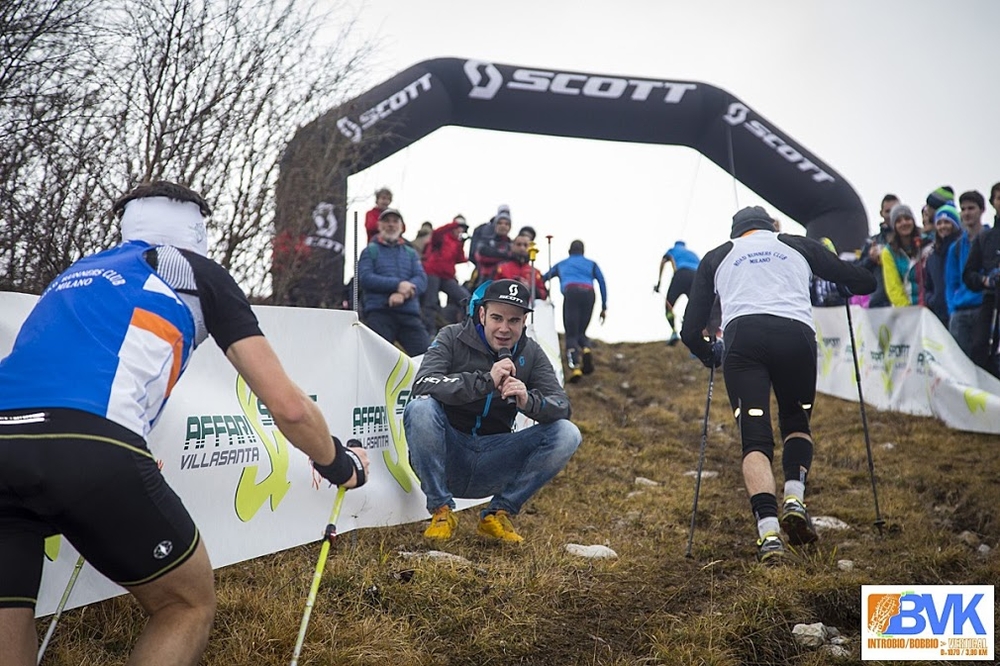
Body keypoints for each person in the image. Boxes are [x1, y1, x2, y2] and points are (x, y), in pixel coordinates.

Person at [0, 181, 370, 666]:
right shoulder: (197, 271)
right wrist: (339, 464)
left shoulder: (78, 271)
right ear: (197, 226)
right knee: (185, 603)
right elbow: (290, 407)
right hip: (88, 439)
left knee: (8, 615)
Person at [680, 206, 875, 564]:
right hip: (796, 337)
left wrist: (710, 356)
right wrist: (853, 283)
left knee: (754, 437)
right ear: (771, 227)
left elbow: (690, 330)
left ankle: (768, 533)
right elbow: (862, 280)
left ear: (736, 232)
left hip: (744, 340)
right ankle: (794, 497)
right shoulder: (798, 244)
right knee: (796, 422)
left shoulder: (718, 255)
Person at [403, 279, 581, 543]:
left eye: (514, 321)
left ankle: (498, 513)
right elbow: (424, 383)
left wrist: (528, 401)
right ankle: (441, 510)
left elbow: (562, 405)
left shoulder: (530, 352)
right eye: (497, 318)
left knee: (568, 432)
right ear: (482, 314)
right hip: (450, 452)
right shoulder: (452, 336)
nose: (504, 329)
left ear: (524, 323)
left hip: (495, 458)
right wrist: (485, 380)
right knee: (420, 408)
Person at [357, 207, 430, 356]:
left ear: (402, 227)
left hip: (409, 314)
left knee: (428, 360)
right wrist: (398, 285)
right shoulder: (369, 251)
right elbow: (365, 278)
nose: (391, 225)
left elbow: (422, 279)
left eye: (395, 221)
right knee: (377, 360)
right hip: (380, 313)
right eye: (386, 221)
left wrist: (402, 295)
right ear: (379, 226)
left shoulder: (410, 253)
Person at [542, 240, 608, 382]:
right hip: (589, 293)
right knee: (581, 331)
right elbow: (602, 282)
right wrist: (604, 306)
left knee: (571, 333)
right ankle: (586, 349)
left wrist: (543, 291)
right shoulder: (592, 264)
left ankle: (576, 367)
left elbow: (543, 277)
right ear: (583, 251)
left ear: (569, 250)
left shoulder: (562, 264)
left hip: (571, 292)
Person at [961, 186, 1000, 377]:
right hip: (991, 303)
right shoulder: (985, 238)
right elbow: (968, 274)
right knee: (980, 350)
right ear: (993, 202)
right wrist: (986, 280)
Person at [945, 191, 987, 362]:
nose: (967, 213)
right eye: (963, 209)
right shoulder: (955, 247)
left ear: (982, 210)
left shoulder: (991, 239)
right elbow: (950, 283)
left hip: (984, 308)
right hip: (960, 313)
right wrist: (953, 309)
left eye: (971, 208)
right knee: (960, 364)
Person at [421, 215, 471, 338]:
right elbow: (436, 233)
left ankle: (468, 329)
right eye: (459, 227)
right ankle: (430, 331)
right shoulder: (442, 237)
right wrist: (453, 224)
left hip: (447, 276)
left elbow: (460, 258)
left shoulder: (456, 242)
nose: (460, 230)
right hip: (432, 272)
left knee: (465, 299)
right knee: (430, 302)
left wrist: (462, 243)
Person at [856, 193, 899, 308]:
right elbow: (858, 271)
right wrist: (870, 259)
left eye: (895, 210)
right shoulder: (872, 241)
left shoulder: (911, 237)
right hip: (879, 304)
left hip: (905, 302)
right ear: (881, 213)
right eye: (887, 211)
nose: (891, 215)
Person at [654, 240, 700, 346]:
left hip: (681, 274)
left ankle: (674, 332)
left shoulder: (673, 250)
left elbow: (663, 261)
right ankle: (696, 336)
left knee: (669, 305)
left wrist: (659, 283)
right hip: (696, 276)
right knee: (695, 307)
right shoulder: (693, 254)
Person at [923, 203, 961, 326]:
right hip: (938, 315)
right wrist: (931, 299)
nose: (943, 226)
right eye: (939, 223)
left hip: (957, 311)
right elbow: (927, 285)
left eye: (947, 222)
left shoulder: (961, 249)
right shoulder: (932, 256)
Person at [881, 203, 924, 306]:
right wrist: (907, 309)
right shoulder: (888, 252)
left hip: (929, 306)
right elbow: (893, 287)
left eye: (907, 218)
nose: (904, 223)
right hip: (906, 311)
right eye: (898, 221)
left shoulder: (925, 244)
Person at [494, 234, 548, 302]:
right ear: (512, 246)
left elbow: (544, 294)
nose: (522, 248)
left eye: (525, 245)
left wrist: (530, 288)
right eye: (519, 244)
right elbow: (492, 289)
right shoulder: (501, 268)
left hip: (527, 307)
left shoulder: (536, 272)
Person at [473, 208, 514, 286]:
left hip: (505, 281)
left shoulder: (512, 244)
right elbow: (481, 257)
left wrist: (495, 254)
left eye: (506, 224)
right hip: (485, 281)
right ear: (495, 225)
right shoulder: (485, 241)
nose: (503, 226)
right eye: (500, 223)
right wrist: (506, 256)